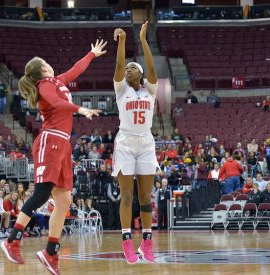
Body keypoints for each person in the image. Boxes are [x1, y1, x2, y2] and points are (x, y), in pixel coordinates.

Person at [0, 39, 106, 274]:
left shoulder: (57, 81)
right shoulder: (44, 84)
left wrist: (91, 54)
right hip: (51, 140)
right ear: (43, 69)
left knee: (65, 200)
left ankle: (50, 252)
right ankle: (12, 240)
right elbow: (57, 102)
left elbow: (75, 70)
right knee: (41, 193)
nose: (50, 65)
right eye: (47, 63)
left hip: (63, 143)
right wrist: (80, 109)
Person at [112, 22, 159, 264]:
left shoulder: (149, 90)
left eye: (132, 68)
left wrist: (142, 40)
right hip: (125, 142)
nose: (127, 70)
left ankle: (147, 243)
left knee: (145, 197)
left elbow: (152, 68)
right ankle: (127, 241)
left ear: (140, 74)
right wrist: (121, 41)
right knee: (127, 195)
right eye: (127, 68)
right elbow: (119, 65)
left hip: (146, 143)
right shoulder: (121, 90)